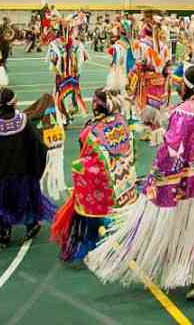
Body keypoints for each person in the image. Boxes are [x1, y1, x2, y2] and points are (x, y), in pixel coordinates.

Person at [86, 64, 194, 299]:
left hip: (190, 187)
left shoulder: (184, 112)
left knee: (189, 227)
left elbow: (172, 149)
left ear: (187, 86)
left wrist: (157, 176)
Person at [0, 69, 55, 247]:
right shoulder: (24, 122)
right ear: (14, 103)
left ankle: (5, 232)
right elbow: (39, 146)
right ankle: (31, 224)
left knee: (1, 203)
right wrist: (35, 170)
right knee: (26, 200)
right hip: (23, 173)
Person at [51, 86, 137, 262]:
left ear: (97, 105)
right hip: (120, 180)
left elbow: (84, 150)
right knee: (113, 215)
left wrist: (80, 167)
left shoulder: (91, 130)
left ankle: (91, 244)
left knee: (91, 218)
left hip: (96, 182)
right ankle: (119, 242)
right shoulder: (121, 120)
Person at [128, 11, 172, 146]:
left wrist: (132, 77)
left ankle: (157, 136)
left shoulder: (141, 45)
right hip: (160, 80)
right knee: (154, 107)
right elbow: (167, 64)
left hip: (147, 80)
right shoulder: (164, 46)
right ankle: (150, 134)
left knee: (147, 107)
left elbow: (139, 63)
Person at [46, 18, 89, 124]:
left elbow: (52, 60)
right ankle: (67, 114)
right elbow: (84, 58)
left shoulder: (55, 44)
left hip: (63, 75)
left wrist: (59, 65)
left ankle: (64, 115)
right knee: (69, 93)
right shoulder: (77, 44)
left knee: (61, 92)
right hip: (72, 75)